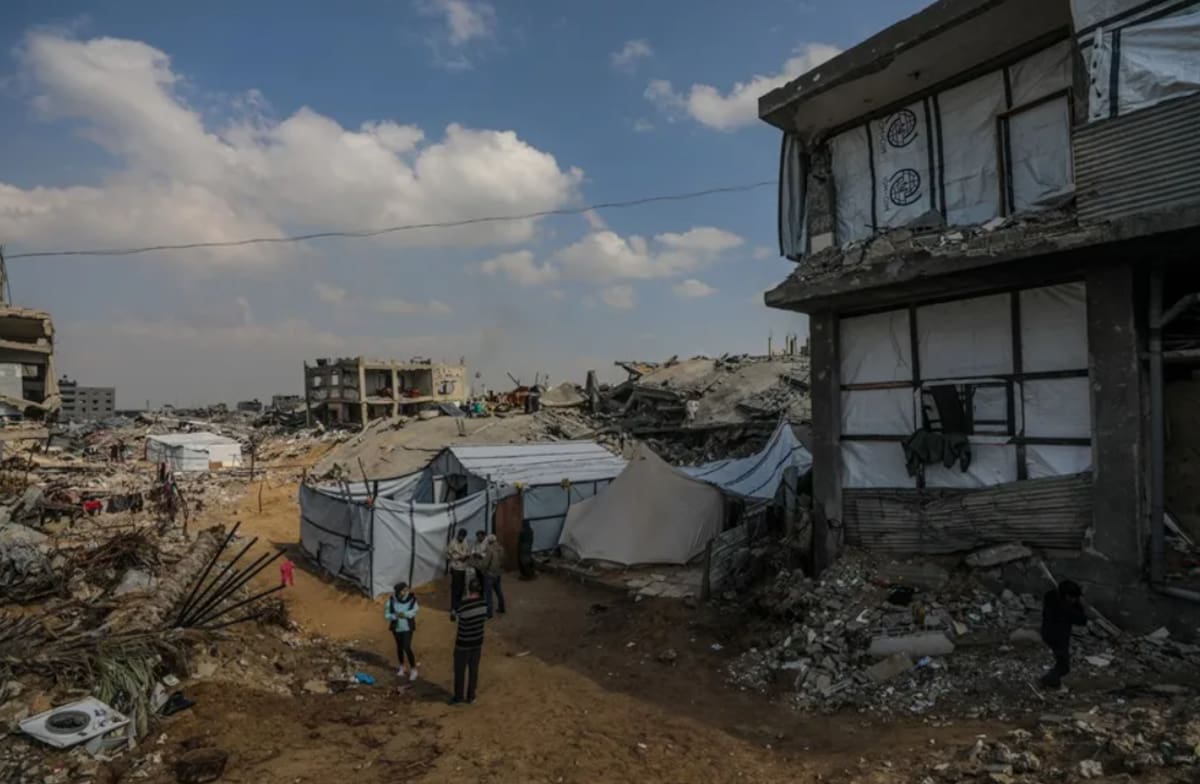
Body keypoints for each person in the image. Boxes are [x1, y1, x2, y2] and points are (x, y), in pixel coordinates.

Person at [1040, 579, 1087, 689]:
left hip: (1047, 632)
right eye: (1073, 598)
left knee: (1060, 662)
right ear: (1067, 596)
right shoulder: (1066, 609)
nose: (1075, 600)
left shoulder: (1050, 596)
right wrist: (1081, 605)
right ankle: (1048, 682)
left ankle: (1052, 682)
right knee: (1063, 666)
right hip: (1059, 638)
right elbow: (1082, 620)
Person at [451, 579, 488, 705]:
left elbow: (454, 617)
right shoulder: (484, 603)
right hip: (477, 642)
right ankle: (471, 696)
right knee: (473, 670)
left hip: (463, 643)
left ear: (469, 589)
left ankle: (458, 697)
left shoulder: (463, 605)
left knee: (460, 671)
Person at [385, 582, 420, 681]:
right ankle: (402, 666)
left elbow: (414, 611)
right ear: (399, 592)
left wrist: (404, 614)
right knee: (399, 647)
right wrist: (394, 616)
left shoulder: (412, 599)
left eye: (407, 589)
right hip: (396, 628)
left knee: (407, 647)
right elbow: (387, 615)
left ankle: (413, 669)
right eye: (404, 590)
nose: (406, 592)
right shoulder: (392, 600)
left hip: (407, 628)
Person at [479, 534, 507, 618]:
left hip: (490, 574)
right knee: (499, 591)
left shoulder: (490, 549)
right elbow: (503, 561)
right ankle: (502, 608)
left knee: (488, 594)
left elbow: (485, 563)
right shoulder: (501, 548)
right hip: (498, 574)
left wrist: (481, 568)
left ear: (489, 541)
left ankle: (489, 613)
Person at [446, 528, 472, 620]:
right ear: (458, 535)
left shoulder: (465, 541)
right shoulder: (452, 542)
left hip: (463, 568)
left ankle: (459, 606)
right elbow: (447, 555)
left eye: (463, 537)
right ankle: (454, 609)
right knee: (455, 589)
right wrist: (457, 558)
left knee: (461, 589)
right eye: (460, 536)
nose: (461, 538)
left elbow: (468, 551)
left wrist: (467, 556)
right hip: (456, 568)